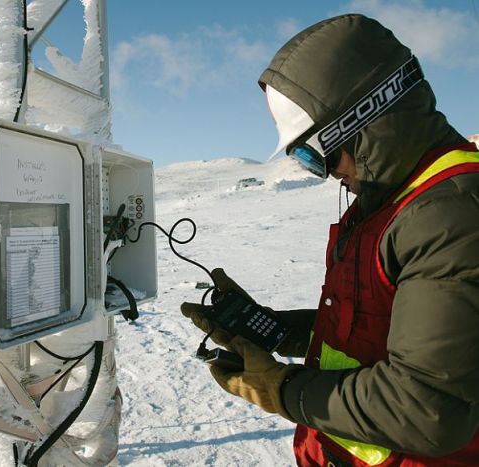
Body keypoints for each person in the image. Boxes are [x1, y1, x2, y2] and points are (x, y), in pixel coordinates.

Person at [182, 14, 479, 466]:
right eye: (304, 158)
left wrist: (282, 390)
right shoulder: (390, 202)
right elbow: (368, 329)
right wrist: (278, 329)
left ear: (367, 121)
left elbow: (428, 410)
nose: (325, 172)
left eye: (315, 154)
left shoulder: (450, 213)